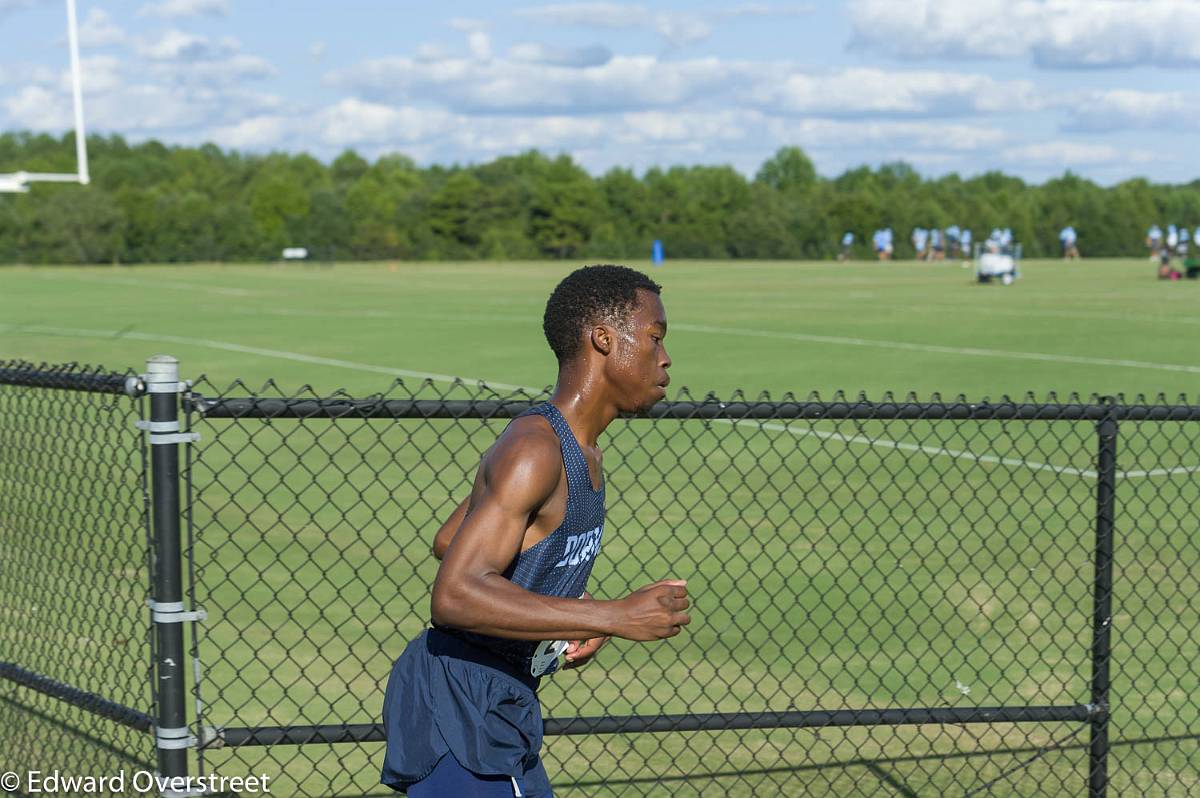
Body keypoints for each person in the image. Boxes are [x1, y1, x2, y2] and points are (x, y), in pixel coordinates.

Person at [380, 264, 690, 798]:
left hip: (496, 703)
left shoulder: (580, 449)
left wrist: (562, 619)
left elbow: (452, 541)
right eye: (654, 338)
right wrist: (609, 615)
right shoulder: (536, 450)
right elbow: (455, 594)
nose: (664, 358)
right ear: (603, 339)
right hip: (462, 708)